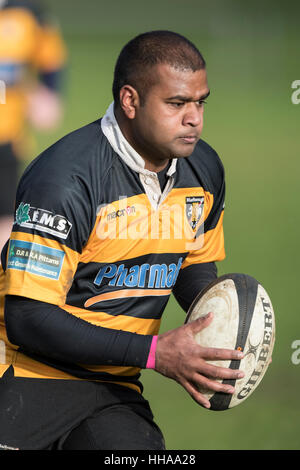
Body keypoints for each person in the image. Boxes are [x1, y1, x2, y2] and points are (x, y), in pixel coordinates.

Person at [0, 30, 245, 450]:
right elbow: (28, 318)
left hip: (112, 386)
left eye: (200, 102)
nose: (194, 119)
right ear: (130, 101)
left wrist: (228, 324)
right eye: (176, 103)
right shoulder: (65, 179)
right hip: (22, 376)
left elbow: (193, 265)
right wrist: (155, 353)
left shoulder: (202, 169)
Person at [0, 0, 67, 252]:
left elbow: (51, 59)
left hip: (6, 136)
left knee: (5, 214)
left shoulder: (29, 14)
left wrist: (48, 93)